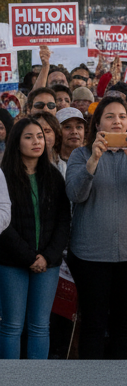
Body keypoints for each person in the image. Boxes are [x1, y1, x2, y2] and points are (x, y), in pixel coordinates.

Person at [65, 94, 127, 358]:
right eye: (110, 117)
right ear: (98, 124)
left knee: (126, 328)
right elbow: (75, 194)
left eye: (122, 117)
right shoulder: (80, 154)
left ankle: (123, 383)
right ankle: (93, 382)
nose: (117, 122)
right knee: (93, 325)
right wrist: (93, 161)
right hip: (90, 256)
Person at [0, 118, 71, 358]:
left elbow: (63, 220)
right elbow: (4, 225)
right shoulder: (4, 177)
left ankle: (37, 379)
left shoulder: (53, 177)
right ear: (16, 142)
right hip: (12, 261)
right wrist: (29, 257)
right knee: (12, 326)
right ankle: (10, 378)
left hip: (47, 263)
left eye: (40, 136)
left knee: (40, 326)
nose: (36, 142)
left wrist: (47, 256)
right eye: (29, 137)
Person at [55, 107, 86, 176]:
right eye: (67, 127)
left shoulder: (92, 159)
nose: (74, 132)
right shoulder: (51, 162)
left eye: (79, 127)